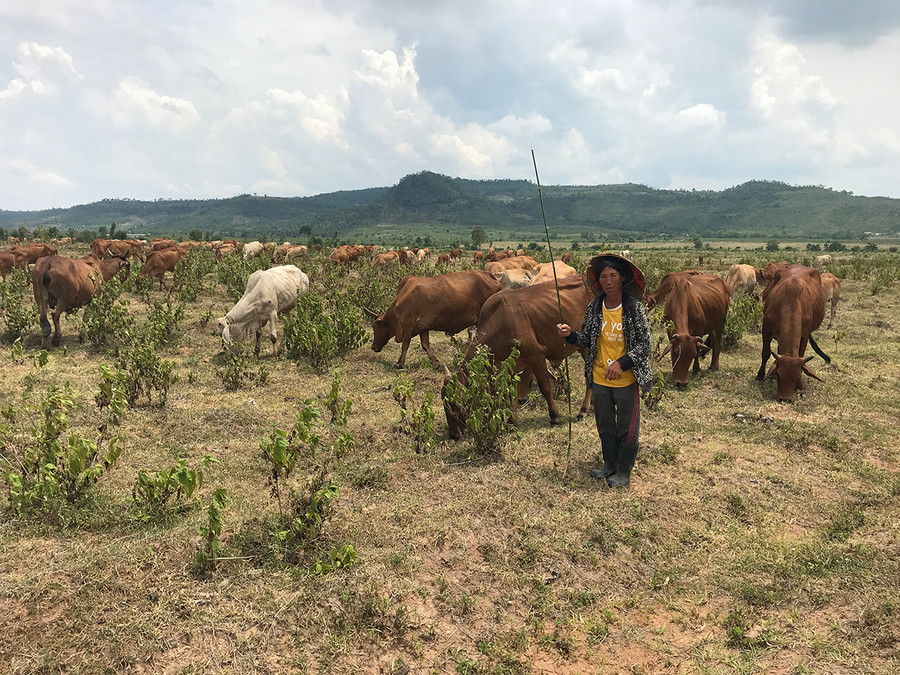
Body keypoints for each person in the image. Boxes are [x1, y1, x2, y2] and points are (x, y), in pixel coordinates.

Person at [556, 254, 652, 487]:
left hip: (626, 379)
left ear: (622, 279)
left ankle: (624, 472)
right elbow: (586, 339)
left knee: (627, 428)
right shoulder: (595, 307)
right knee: (605, 425)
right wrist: (570, 335)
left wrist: (621, 363)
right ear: (598, 281)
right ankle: (609, 465)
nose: (608, 281)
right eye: (603, 277)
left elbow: (644, 345)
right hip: (599, 378)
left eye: (613, 275)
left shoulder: (633, 308)